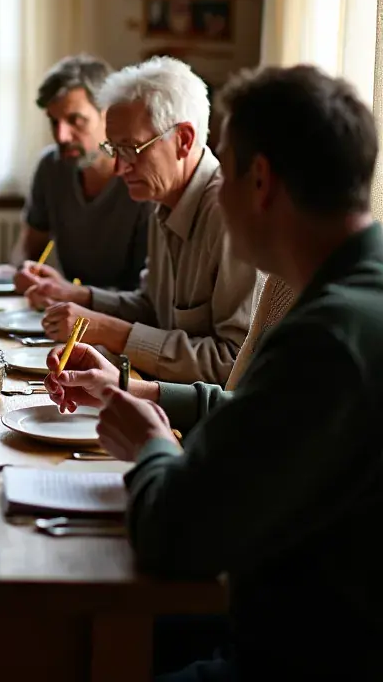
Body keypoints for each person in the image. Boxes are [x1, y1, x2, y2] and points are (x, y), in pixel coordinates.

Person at [45, 64, 383, 680]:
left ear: (260, 181)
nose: (216, 188)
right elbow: (267, 420)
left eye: (224, 166)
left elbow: (172, 533)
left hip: (303, 657)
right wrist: (135, 390)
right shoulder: (354, 292)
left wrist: (148, 445)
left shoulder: (326, 336)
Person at [30, 56, 255, 385]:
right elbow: (152, 309)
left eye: (133, 149)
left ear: (184, 140)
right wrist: (81, 298)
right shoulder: (162, 198)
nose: (120, 169)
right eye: (114, 149)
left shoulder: (230, 217)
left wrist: (107, 329)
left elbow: (233, 363)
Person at [10, 54, 152, 294]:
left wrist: (72, 294)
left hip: (128, 317)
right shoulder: (50, 167)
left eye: (76, 120)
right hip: (71, 308)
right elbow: (30, 248)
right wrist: (21, 273)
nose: (61, 136)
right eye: (54, 122)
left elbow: (144, 294)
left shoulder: (142, 179)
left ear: (108, 115)